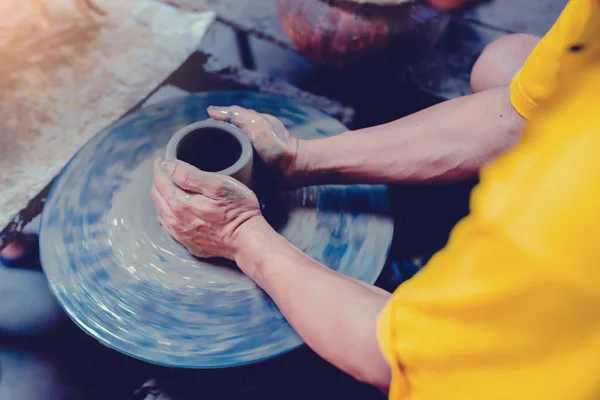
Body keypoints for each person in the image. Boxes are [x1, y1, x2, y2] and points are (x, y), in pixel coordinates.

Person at [152, 0, 600, 398]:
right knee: (509, 62)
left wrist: (239, 236)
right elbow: (514, 117)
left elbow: (393, 356)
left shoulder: (569, 210)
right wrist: (301, 158)